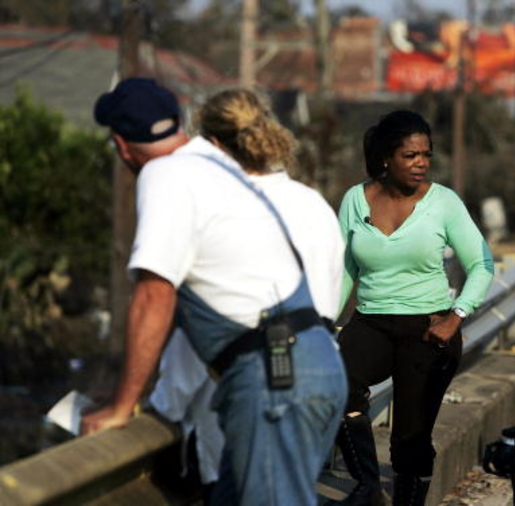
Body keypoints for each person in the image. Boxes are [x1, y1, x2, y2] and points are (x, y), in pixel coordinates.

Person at [82, 81, 347, 506]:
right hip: (313, 365)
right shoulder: (222, 169)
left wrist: (121, 406)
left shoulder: (164, 173)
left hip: (273, 378)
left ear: (121, 145)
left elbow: (155, 295)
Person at [330, 110, 494, 506]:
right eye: (410, 155)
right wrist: (323, 322)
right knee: (336, 384)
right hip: (371, 321)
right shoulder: (355, 200)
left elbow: (482, 265)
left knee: (410, 438)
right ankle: (367, 485)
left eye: (426, 155)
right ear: (386, 157)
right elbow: (344, 270)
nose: (421, 163)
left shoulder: (444, 203)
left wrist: (457, 316)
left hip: (429, 326)